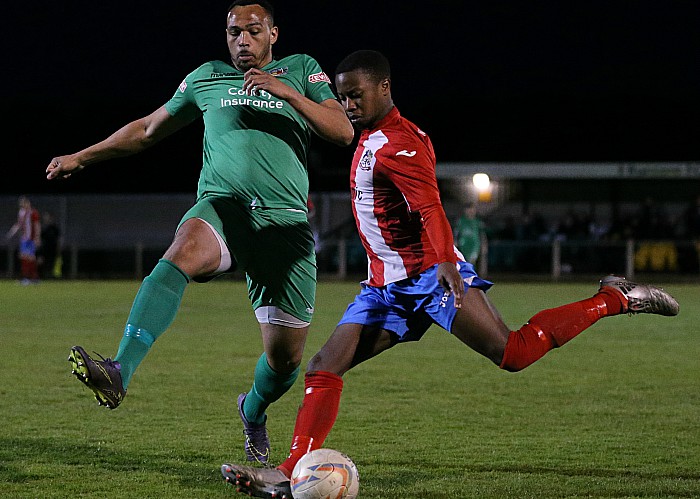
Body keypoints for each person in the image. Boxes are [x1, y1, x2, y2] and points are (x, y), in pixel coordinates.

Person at [220, 50, 680, 498]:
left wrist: (443, 260)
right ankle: (285, 472)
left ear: (385, 88)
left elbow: (429, 207)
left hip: (428, 277)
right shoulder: (368, 135)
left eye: (357, 95)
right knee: (323, 366)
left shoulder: (402, 143)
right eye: (343, 98)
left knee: (513, 353)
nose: (349, 106)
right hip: (385, 288)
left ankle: (615, 298)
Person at [45, 0, 353, 465]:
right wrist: (82, 157)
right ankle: (119, 369)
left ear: (273, 33)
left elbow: (342, 130)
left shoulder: (301, 69)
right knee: (182, 250)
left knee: (286, 362)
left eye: (252, 31)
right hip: (224, 207)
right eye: (233, 32)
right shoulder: (207, 77)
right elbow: (147, 128)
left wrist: (286, 93)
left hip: (285, 226)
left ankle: (252, 410)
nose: (241, 40)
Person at [5, 195, 41, 284]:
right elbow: (19, 224)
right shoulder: (21, 212)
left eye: (23, 203)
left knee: (31, 257)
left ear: (27, 203)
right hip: (24, 238)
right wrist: (11, 232)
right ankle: (26, 278)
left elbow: (37, 225)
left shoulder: (33, 212)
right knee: (24, 256)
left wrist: (37, 237)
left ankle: (34, 278)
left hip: (31, 239)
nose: (22, 205)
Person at [37, 211, 61, 279]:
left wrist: (58, 248)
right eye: (45, 217)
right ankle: (41, 276)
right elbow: (39, 239)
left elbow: (58, 239)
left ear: (51, 218)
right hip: (44, 249)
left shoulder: (55, 228)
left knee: (52, 263)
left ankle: (51, 277)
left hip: (53, 248)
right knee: (41, 262)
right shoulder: (43, 228)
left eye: (47, 217)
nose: (46, 219)